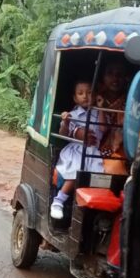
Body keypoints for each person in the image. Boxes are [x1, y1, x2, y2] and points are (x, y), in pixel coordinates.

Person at [51, 81, 102, 220]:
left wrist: (101, 107)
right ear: (75, 98)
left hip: (95, 152)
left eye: (90, 93)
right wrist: (66, 121)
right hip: (77, 151)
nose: (85, 96)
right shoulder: (72, 114)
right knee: (76, 170)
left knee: (100, 176)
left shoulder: (99, 114)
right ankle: (59, 201)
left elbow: (104, 129)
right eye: (80, 93)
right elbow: (64, 133)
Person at [94, 59, 130, 175]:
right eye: (110, 74)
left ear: (126, 78)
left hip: (124, 147)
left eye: (119, 74)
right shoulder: (93, 99)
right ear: (103, 77)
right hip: (95, 147)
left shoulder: (132, 101)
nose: (115, 78)